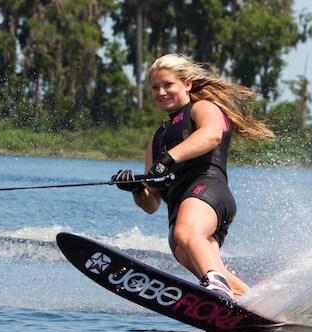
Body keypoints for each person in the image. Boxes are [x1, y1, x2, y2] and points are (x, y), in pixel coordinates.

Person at [111, 53, 274, 301]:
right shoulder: (156, 140)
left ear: (187, 83)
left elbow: (212, 135)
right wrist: (136, 189)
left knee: (186, 235)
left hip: (207, 192)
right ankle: (260, 304)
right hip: (178, 211)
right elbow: (151, 203)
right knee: (192, 253)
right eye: (155, 87)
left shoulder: (203, 108)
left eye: (168, 85)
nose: (161, 92)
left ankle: (216, 287)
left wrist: (168, 159)